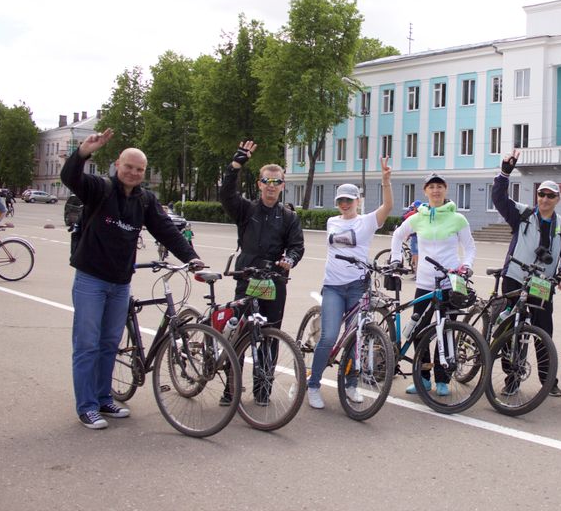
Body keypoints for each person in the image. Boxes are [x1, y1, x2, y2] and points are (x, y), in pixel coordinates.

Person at [60, 128, 203, 429]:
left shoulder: (145, 201)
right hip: (91, 279)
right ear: (117, 164)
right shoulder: (99, 189)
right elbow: (70, 178)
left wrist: (192, 258)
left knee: (110, 342)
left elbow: (167, 231)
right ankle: (86, 407)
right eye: (129, 166)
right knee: (87, 344)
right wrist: (83, 152)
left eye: (140, 169)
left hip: (120, 282)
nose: (134, 173)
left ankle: (103, 399)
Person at [220, 140, 305, 405]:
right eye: (267, 181)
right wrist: (236, 165)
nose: (271, 186)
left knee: (268, 335)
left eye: (276, 182)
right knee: (239, 332)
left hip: (273, 281)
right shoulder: (246, 210)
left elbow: (297, 247)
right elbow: (226, 194)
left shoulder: (289, 217)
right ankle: (231, 389)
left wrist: (288, 260)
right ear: (259, 184)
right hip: (248, 278)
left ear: (283, 185)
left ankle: (262, 388)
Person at [307, 159, 392, 410]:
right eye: (341, 201)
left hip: (357, 287)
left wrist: (386, 180)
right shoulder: (332, 222)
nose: (344, 204)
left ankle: (351, 384)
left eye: (349, 200)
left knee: (357, 338)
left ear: (358, 201)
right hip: (333, 286)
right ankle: (313, 384)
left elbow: (388, 206)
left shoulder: (366, 222)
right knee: (330, 337)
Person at [491, 149, 561, 396]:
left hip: (542, 284)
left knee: (543, 333)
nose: (545, 199)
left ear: (558, 199)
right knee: (512, 332)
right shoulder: (523, 214)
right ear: (537, 195)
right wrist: (504, 174)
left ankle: (548, 381)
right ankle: (513, 379)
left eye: (551, 195)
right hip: (516, 277)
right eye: (542, 194)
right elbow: (499, 199)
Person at [389, 172, 476, 396]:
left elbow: (470, 247)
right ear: (425, 191)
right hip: (426, 283)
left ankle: (443, 380)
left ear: (445, 189)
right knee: (419, 332)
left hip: (450, 284)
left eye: (439, 186)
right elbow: (397, 236)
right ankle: (424, 377)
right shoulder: (418, 217)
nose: (435, 190)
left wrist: (466, 266)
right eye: (431, 187)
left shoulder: (458, 218)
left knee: (445, 332)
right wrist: (396, 259)